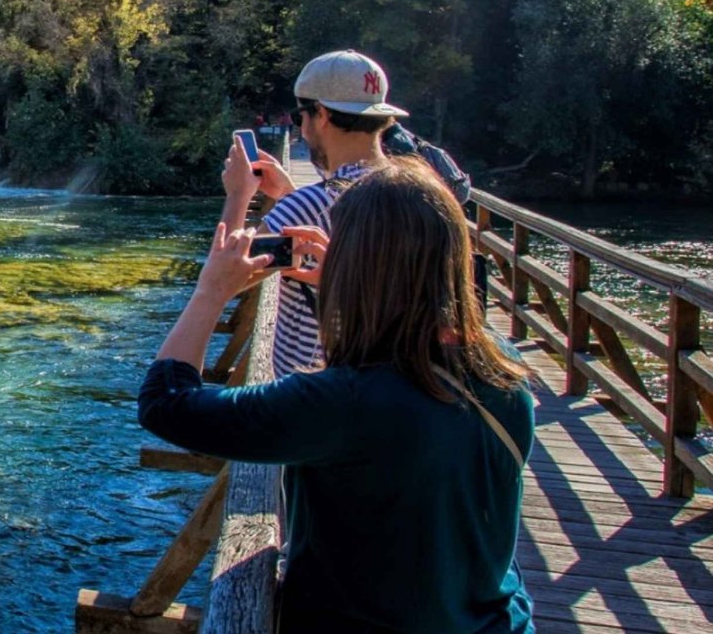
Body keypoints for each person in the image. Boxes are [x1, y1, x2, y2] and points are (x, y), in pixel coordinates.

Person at [139, 160, 536, 634]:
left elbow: (166, 402)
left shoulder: (344, 404)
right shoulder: (503, 368)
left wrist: (210, 290)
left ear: (359, 262)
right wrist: (346, 290)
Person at [219, 48, 408, 376]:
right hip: (389, 380)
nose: (301, 129)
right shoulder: (416, 191)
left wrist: (238, 195)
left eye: (299, 117)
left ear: (320, 114)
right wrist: (288, 195)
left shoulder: (312, 205)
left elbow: (223, 279)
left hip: (316, 389)